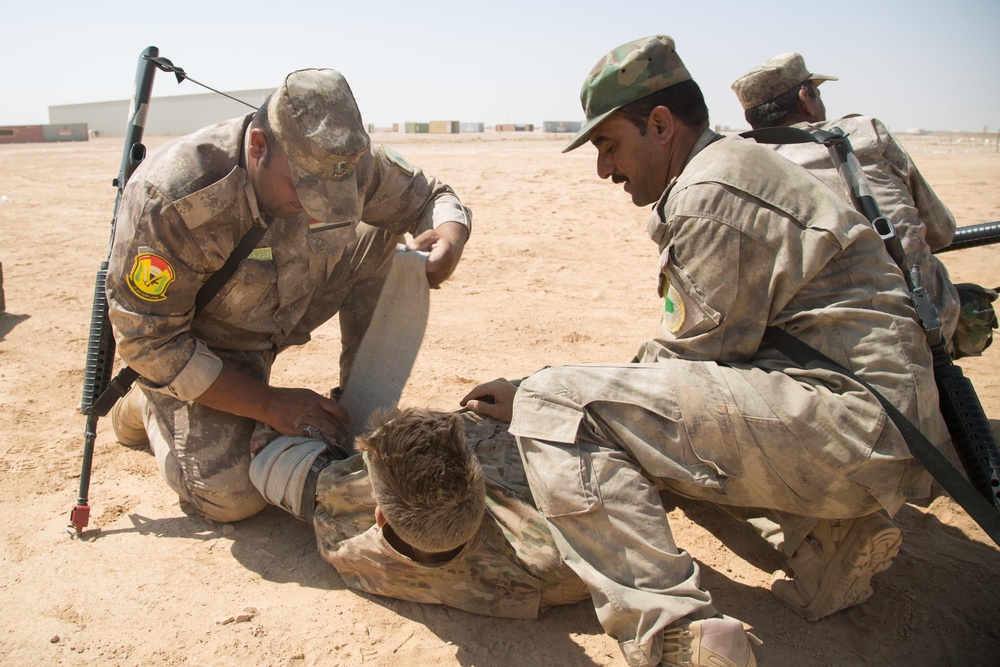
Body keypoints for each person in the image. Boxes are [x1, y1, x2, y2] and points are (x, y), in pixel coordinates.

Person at [463, 35, 951, 667]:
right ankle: (823, 546)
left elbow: (690, 366)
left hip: (855, 427)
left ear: (661, 125)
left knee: (567, 407)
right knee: (653, 413)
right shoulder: (732, 167)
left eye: (609, 145)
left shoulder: (710, 193)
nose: (604, 169)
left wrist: (533, 392)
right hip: (878, 424)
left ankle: (676, 633)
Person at [105, 68, 472, 523]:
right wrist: (269, 404)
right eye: (304, 187)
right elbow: (149, 342)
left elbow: (431, 197)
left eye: (334, 190)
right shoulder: (172, 197)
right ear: (259, 145)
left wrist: (449, 240)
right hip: (211, 347)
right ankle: (147, 404)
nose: (320, 204)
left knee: (381, 230)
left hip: (294, 306)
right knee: (233, 499)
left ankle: (359, 403)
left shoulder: (342, 160)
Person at [248, 405, 590, 619]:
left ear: (380, 516)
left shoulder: (341, 537)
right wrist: (520, 398)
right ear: (480, 488)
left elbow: (270, 456)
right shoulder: (557, 564)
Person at [730, 52, 963, 352]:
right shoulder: (865, 134)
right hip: (925, 323)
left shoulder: (743, 164)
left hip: (820, 345)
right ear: (806, 98)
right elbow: (942, 232)